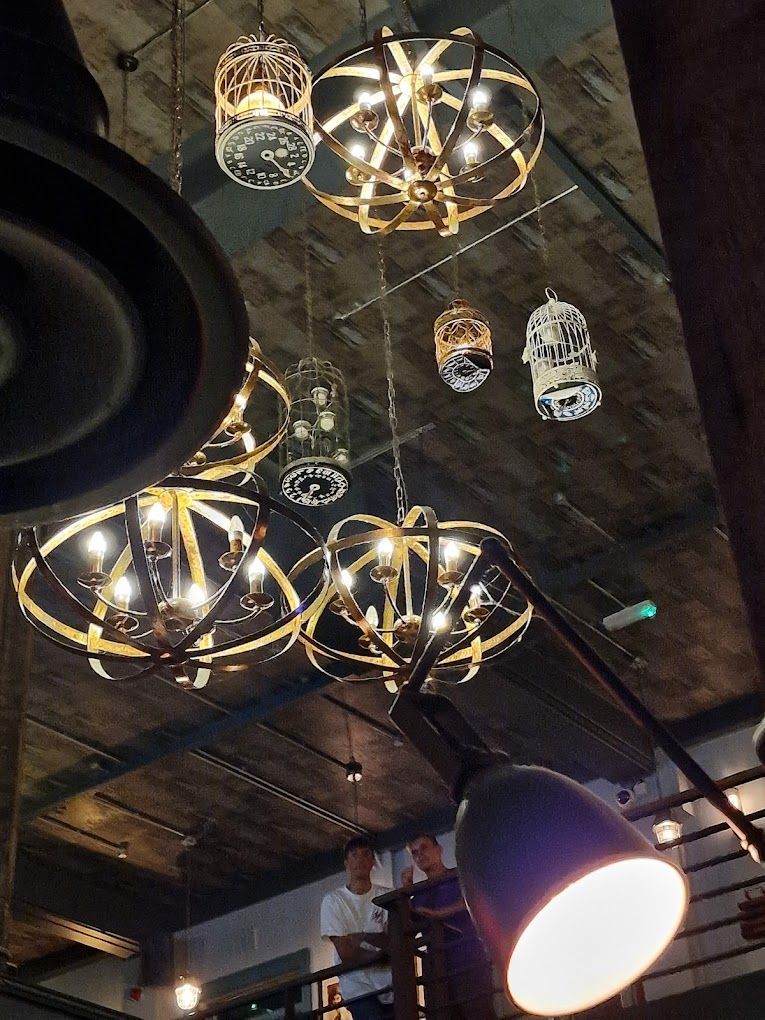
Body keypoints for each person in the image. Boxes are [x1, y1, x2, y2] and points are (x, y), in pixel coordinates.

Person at [401, 833, 496, 1020]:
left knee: (477, 1012)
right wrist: (406, 890)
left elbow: (471, 901)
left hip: (468, 959)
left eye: (425, 847)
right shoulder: (418, 895)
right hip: (437, 969)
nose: (420, 855)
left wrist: (438, 915)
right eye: (415, 853)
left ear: (439, 849)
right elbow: (407, 928)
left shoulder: (458, 876)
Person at [320, 836, 393, 1020]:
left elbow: (394, 942)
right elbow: (345, 952)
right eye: (354, 855)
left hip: (391, 986)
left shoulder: (386, 896)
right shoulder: (334, 901)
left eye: (365, 854)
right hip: (357, 989)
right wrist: (379, 955)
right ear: (346, 863)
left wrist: (360, 937)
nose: (360, 860)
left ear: (372, 862)